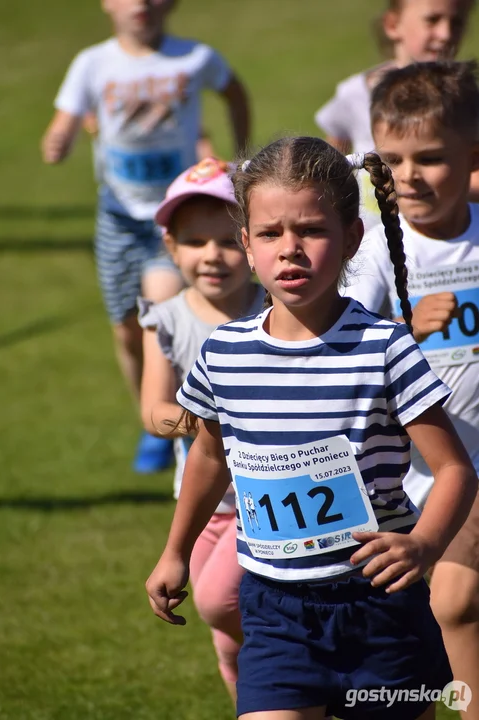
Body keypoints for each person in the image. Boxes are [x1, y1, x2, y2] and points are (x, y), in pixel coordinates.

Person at [145, 136, 478, 719]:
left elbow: (454, 468)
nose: (290, 250)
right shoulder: (224, 353)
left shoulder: (385, 347)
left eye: (312, 231)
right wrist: (176, 550)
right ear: (247, 244)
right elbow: (207, 456)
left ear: (352, 238)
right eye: (271, 234)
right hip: (274, 612)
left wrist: (424, 545)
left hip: (380, 606)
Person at [41, 0, 251, 471]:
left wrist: (240, 154)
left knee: (161, 302)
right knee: (125, 328)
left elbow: (234, 93)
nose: (141, 4)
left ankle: (174, 422)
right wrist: (59, 139)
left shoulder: (193, 57)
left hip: (178, 216)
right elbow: (65, 121)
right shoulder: (92, 63)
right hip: (117, 215)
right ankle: (150, 412)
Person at [347, 60, 479, 719]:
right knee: (408, 650)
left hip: (470, 471)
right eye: (392, 160)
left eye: (429, 158)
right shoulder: (374, 252)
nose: (408, 177)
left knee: (455, 603)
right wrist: (403, 329)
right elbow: (335, 360)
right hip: (399, 483)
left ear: (471, 155)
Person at [139, 157, 264, 701]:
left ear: (251, 243)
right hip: (204, 497)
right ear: (171, 247)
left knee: (216, 600)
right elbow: (153, 411)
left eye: (227, 241)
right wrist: (203, 418)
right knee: (225, 636)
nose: (211, 255)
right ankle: (262, 699)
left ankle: (292, 661)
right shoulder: (164, 318)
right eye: (194, 242)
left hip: (268, 492)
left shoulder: (276, 307)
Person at [314, 0, 477, 228]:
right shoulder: (356, 93)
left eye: (457, 23)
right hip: (370, 241)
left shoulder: (466, 99)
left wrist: (440, 185)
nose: (446, 34)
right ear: (392, 24)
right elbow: (330, 165)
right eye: (432, 20)